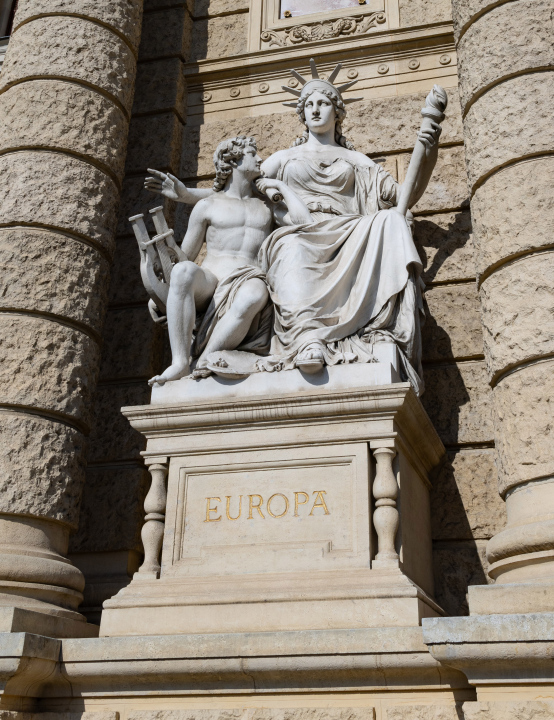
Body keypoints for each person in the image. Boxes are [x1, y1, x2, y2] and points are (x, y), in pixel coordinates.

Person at [256, 62, 443, 394]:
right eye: (309, 104)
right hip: (300, 232)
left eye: (323, 102)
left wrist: (428, 150)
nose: (315, 109)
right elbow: (242, 187)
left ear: (336, 111)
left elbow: (404, 197)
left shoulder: (357, 161)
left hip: (349, 231)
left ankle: (377, 326)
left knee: (390, 219)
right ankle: (307, 339)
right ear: (301, 113)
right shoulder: (283, 158)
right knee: (291, 249)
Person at [145, 136, 311, 386]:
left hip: (248, 277)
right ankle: (179, 362)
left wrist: (281, 188)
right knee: (183, 272)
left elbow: (305, 225)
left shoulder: (266, 205)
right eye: (252, 154)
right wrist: (158, 287)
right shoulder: (207, 205)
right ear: (233, 161)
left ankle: (203, 360)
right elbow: (184, 257)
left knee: (255, 292)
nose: (259, 158)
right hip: (210, 280)